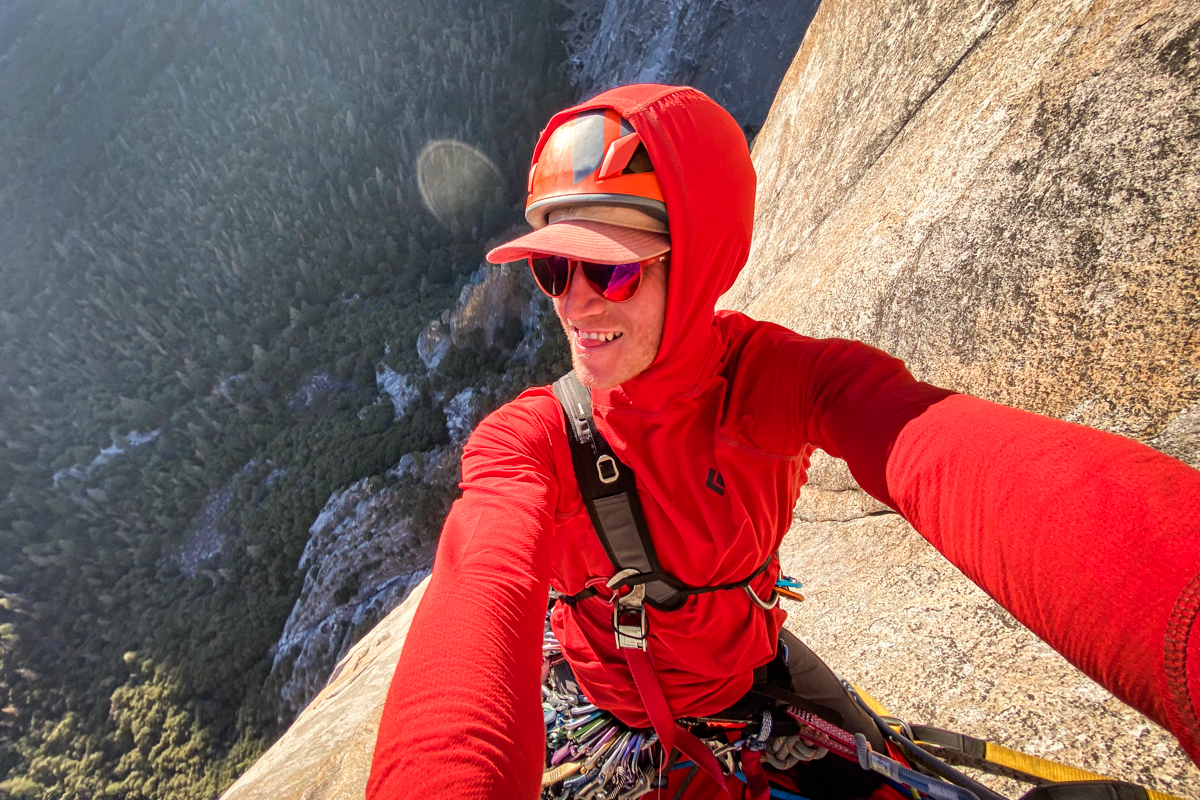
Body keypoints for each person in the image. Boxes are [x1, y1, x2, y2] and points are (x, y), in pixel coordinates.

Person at [367, 84, 1200, 799]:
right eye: (554, 268)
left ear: (698, 257)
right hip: (612, 710)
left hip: (748, 681)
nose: (577, 304)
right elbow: (479, 585)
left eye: (612, 267)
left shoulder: (775, 382)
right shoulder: (530, 439)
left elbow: (942, 448)